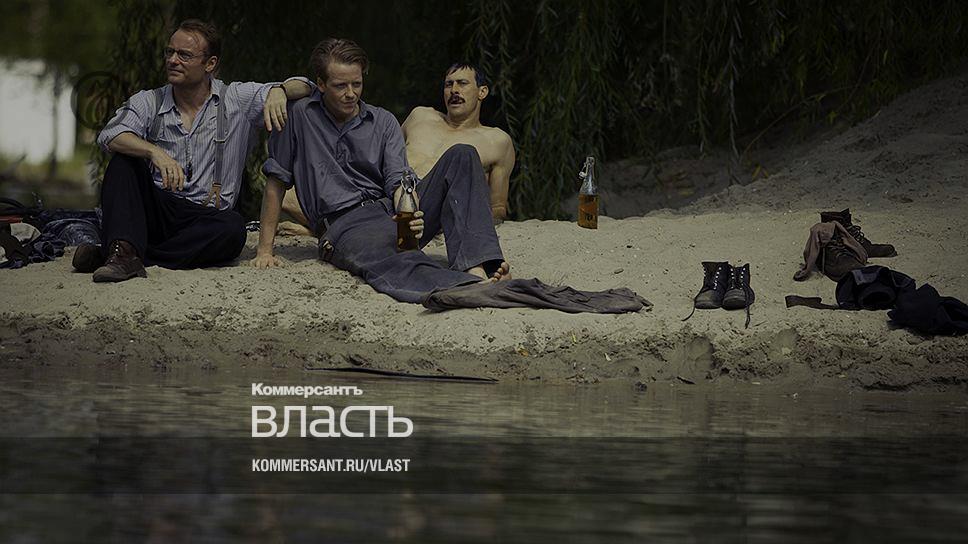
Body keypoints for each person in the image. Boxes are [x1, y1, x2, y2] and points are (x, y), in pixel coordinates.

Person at [251, 38, 509, 303]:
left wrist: (408, 220)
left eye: (357, 84)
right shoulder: (298, 116)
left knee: (463, 154)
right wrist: (264, 251)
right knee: (395, 257)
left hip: (390, 210)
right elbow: (276, 182)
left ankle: (476, 267)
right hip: (346, 225)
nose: (351, 93)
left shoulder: (383, 120)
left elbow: (399, 180)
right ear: (321, 84)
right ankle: (465, 287)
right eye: (340, 86)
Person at [78, 19, 313, 282]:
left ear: (210, 64)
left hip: (206, 217)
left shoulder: (236, 98)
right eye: (170, 52)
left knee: (233, 229)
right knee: (123, 162)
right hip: (158, 208)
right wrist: (154, 152)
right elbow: (110, 135)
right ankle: (124, 253)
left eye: (184, 55)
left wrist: (280, 90)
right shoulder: (149, 101)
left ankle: (125, 253)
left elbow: (307, 86)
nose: (172, 60)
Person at [279, 62, 515, 232]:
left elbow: (497, 207)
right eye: (448, 84)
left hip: (429, 208)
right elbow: (384, 153)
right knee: (287, 196)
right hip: (384, 194)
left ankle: (327, 231)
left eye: (462, 84)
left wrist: (459, 219)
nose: (454, 90)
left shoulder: (497, 140)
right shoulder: (420, 116)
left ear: (482, 92)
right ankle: (329, 229)